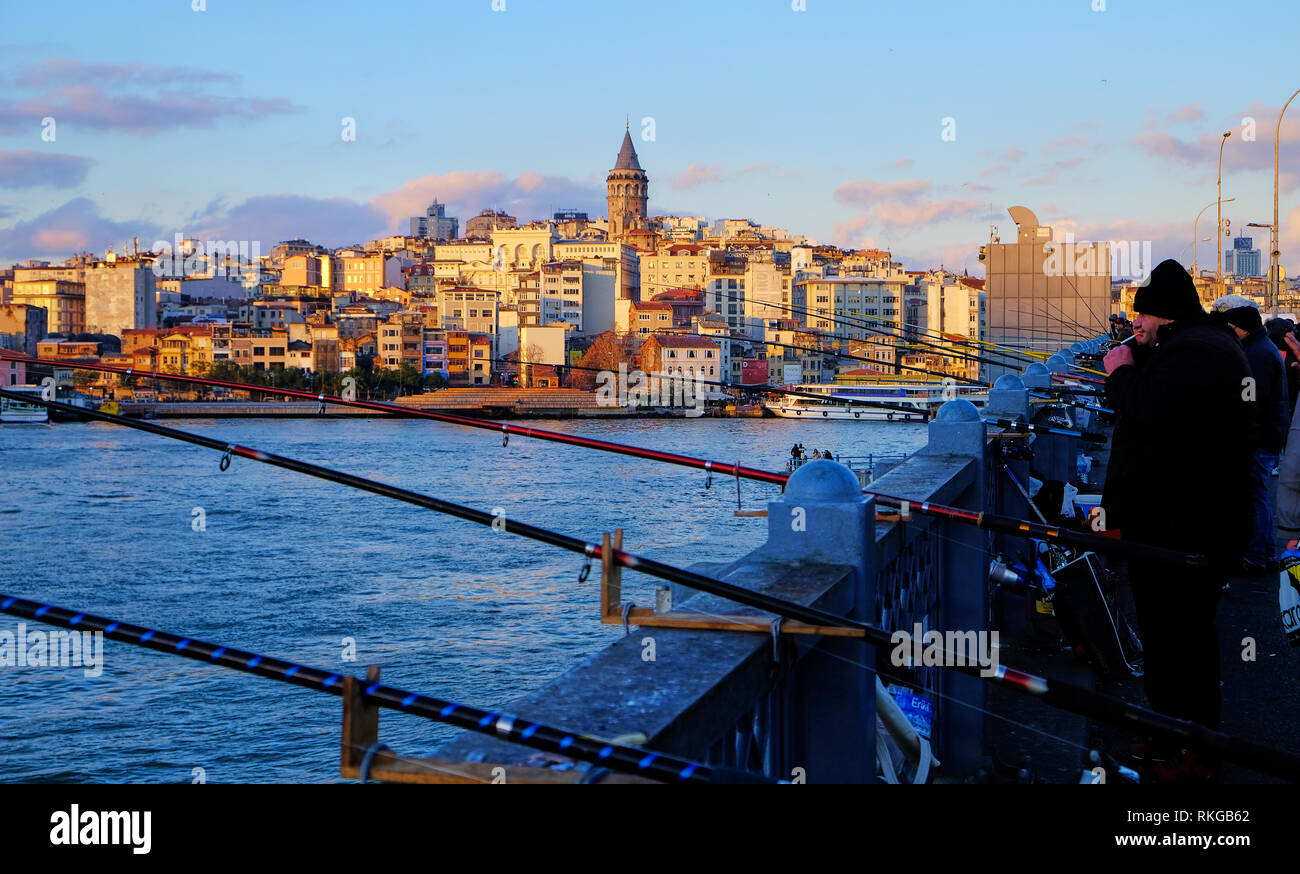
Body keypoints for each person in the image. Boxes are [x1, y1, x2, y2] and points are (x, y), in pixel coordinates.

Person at [1101, 260, 1253, 780]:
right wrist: (1134, 361)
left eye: (1140, 315)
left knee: (1180, 641)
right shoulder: (1194, 348)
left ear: (1164, 315)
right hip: (1183, 526)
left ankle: (1190, 750)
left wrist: (1119, 369)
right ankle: (1173, 736)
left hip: (1184, 530)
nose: (1134, 325)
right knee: (1177, 639)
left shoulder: (1195, 354)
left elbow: (1148, 411)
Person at [1212, 295, 1288, 573]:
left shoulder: (1255, 355)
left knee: (1255, 495)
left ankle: (1257, 555)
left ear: (1236, 326)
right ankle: (1264, 552)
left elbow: (1251, 400)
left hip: (1259, 437)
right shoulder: (1261, 347)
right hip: (1268, 434)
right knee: (1258, 494)